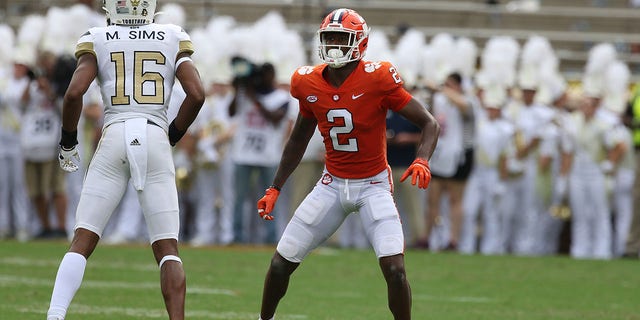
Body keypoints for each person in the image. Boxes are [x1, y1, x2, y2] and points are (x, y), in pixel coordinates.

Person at [255, 8, 439, 320]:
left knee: (394, 270)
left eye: (343, 37)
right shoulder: (308, 82)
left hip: (373, 185)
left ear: (361, 43)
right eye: (330, 37)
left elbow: (429, 123)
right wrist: (275, 186)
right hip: (331, 184)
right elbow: (298, 139)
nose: (335, 44)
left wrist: (422, 159)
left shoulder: (378, 77)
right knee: (279, 263)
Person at [47, 1, 204, 319]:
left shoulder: (98, 36)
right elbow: (197, 94)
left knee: (83, 238)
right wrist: (172, 133)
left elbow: (74, 93)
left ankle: (55, 314)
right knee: (167, 249)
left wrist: (68, 142)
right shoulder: (172, 35)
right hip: (155, 133)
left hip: (115, 132)